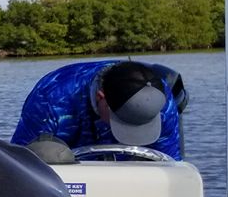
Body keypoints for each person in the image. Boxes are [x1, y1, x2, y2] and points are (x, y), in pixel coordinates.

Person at [11, 58, 188, 161]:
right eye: (121, 120)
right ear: (101, 98)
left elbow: (170, 162)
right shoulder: (51, 97)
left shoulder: (160, 99)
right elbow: (20, 163)